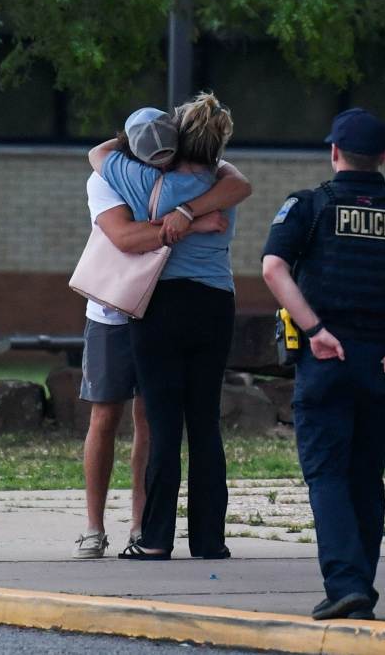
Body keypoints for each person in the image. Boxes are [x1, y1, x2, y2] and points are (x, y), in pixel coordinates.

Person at [261, 108, 385, 620]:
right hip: (379, 364)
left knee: (326, 473)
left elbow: (273, 267)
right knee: (366, 475)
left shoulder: (309, 205)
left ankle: (346, 584)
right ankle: (359, 585)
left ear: (334, 152)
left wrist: (315, 331)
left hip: (326, 360)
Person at [74, 110, 249, 559]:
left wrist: (179, 216)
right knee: (205, 423)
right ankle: (209, 540)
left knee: (164, 423)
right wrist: (193, 215)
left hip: (161, 304)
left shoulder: (138, 178)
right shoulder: (219, 183)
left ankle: (154, 538)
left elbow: (97, 154)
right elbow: (241, 183)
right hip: (215, 302)